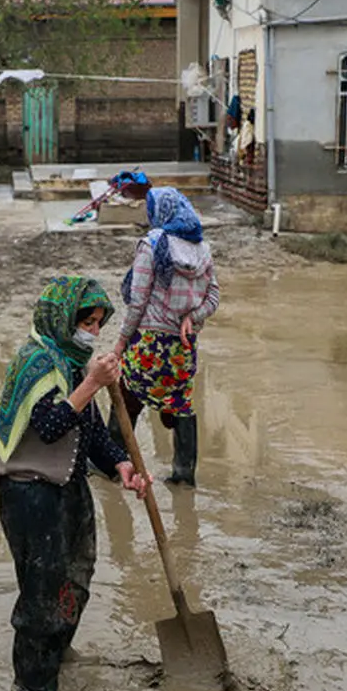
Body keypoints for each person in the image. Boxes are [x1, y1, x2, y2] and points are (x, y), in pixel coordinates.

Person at [0, 276, 152, 691]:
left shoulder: (72, 361)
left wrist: (122, 465)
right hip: (31, 494)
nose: (94, 332)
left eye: (99, 323)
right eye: (87, 322)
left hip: (70, 485)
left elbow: (92, 430)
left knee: (77, 576)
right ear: (63, 320)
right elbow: (49, 425)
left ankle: (56, 652)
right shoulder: (36, 362)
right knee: (41, 592)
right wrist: (93, 382)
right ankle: (33, 690)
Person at [111, 187, 219, 486]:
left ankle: (110, 464)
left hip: (148, 343)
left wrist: (120, 342)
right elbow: (213, 297)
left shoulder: (152, 244)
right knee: (181, 403)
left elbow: (138, 300)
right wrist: (192, 317)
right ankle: (184, 475)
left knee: (126, 397)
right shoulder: (202, 249)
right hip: (182, 347)